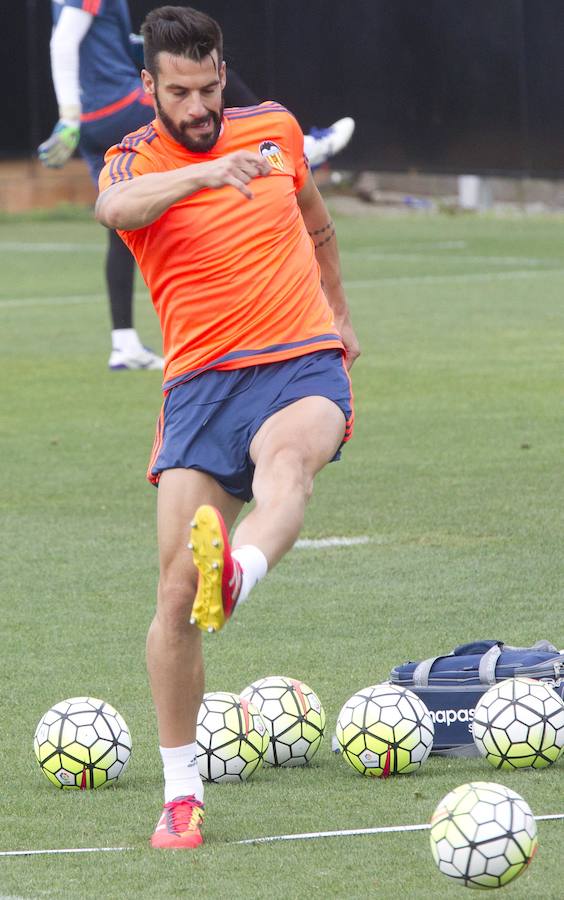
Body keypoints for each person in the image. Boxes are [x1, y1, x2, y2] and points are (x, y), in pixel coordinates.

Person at [95, 4, 360, 849]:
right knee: (174, 598)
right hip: (201, 389)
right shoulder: (132, 157)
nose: (202, 106)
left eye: (211, 86)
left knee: (290, 466)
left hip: (300, 361)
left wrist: (342, 316)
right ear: (151, 87)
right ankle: (182, 797)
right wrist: (204, 175)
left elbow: (316, 220)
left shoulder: (274, 127)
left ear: (222, 71)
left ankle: (241, 571)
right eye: (182, 92)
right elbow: (119, 211)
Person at [39, 0, 164, 370]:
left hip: (93, 123)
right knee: (206, 76)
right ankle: (294, 142)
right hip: (120, 106)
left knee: (122, 223)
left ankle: (123, 343)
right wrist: (67, 118)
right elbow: (62, 42)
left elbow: (97, 39)